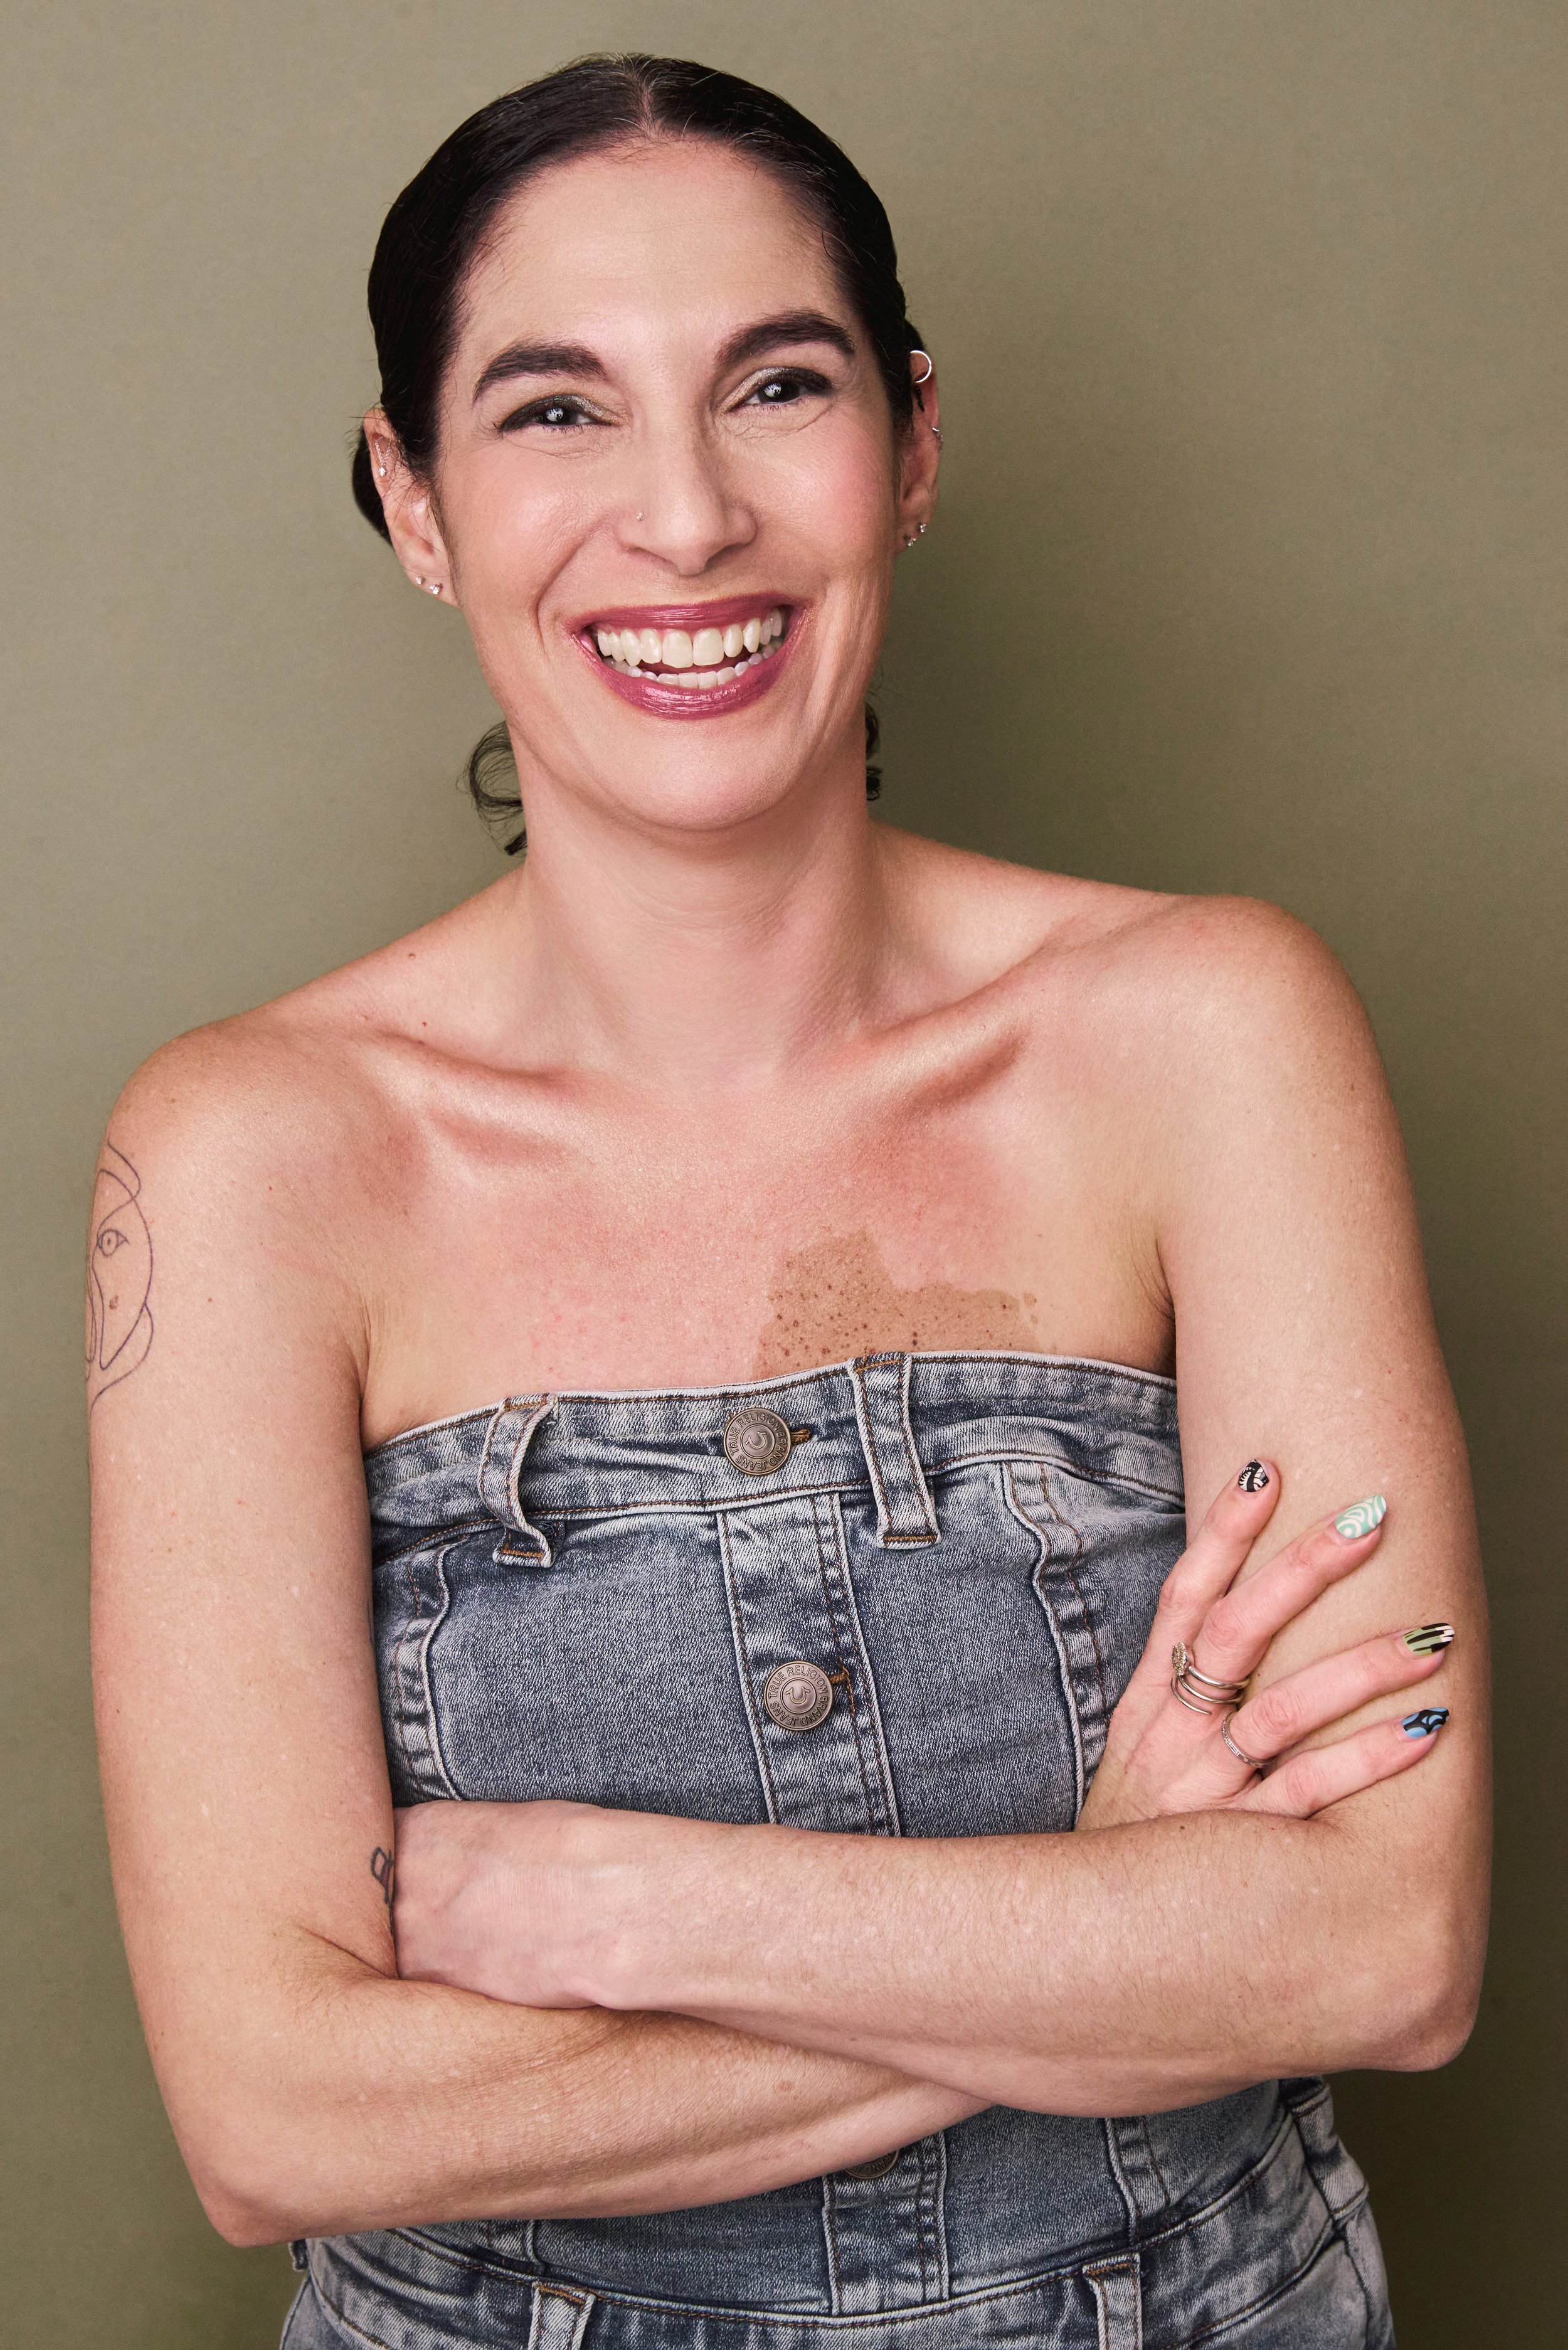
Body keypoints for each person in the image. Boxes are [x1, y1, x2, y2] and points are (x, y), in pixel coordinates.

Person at [88, 54, 1488, 2350]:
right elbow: (278, 2112)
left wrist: (611, 1904)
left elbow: (1381, 1947)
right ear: (410, 499)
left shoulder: (1214, 1034)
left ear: (908, 446)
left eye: (776, 385)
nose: (684, 516)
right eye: (552, 411)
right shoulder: (251, 1157)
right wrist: (1111, 1925)